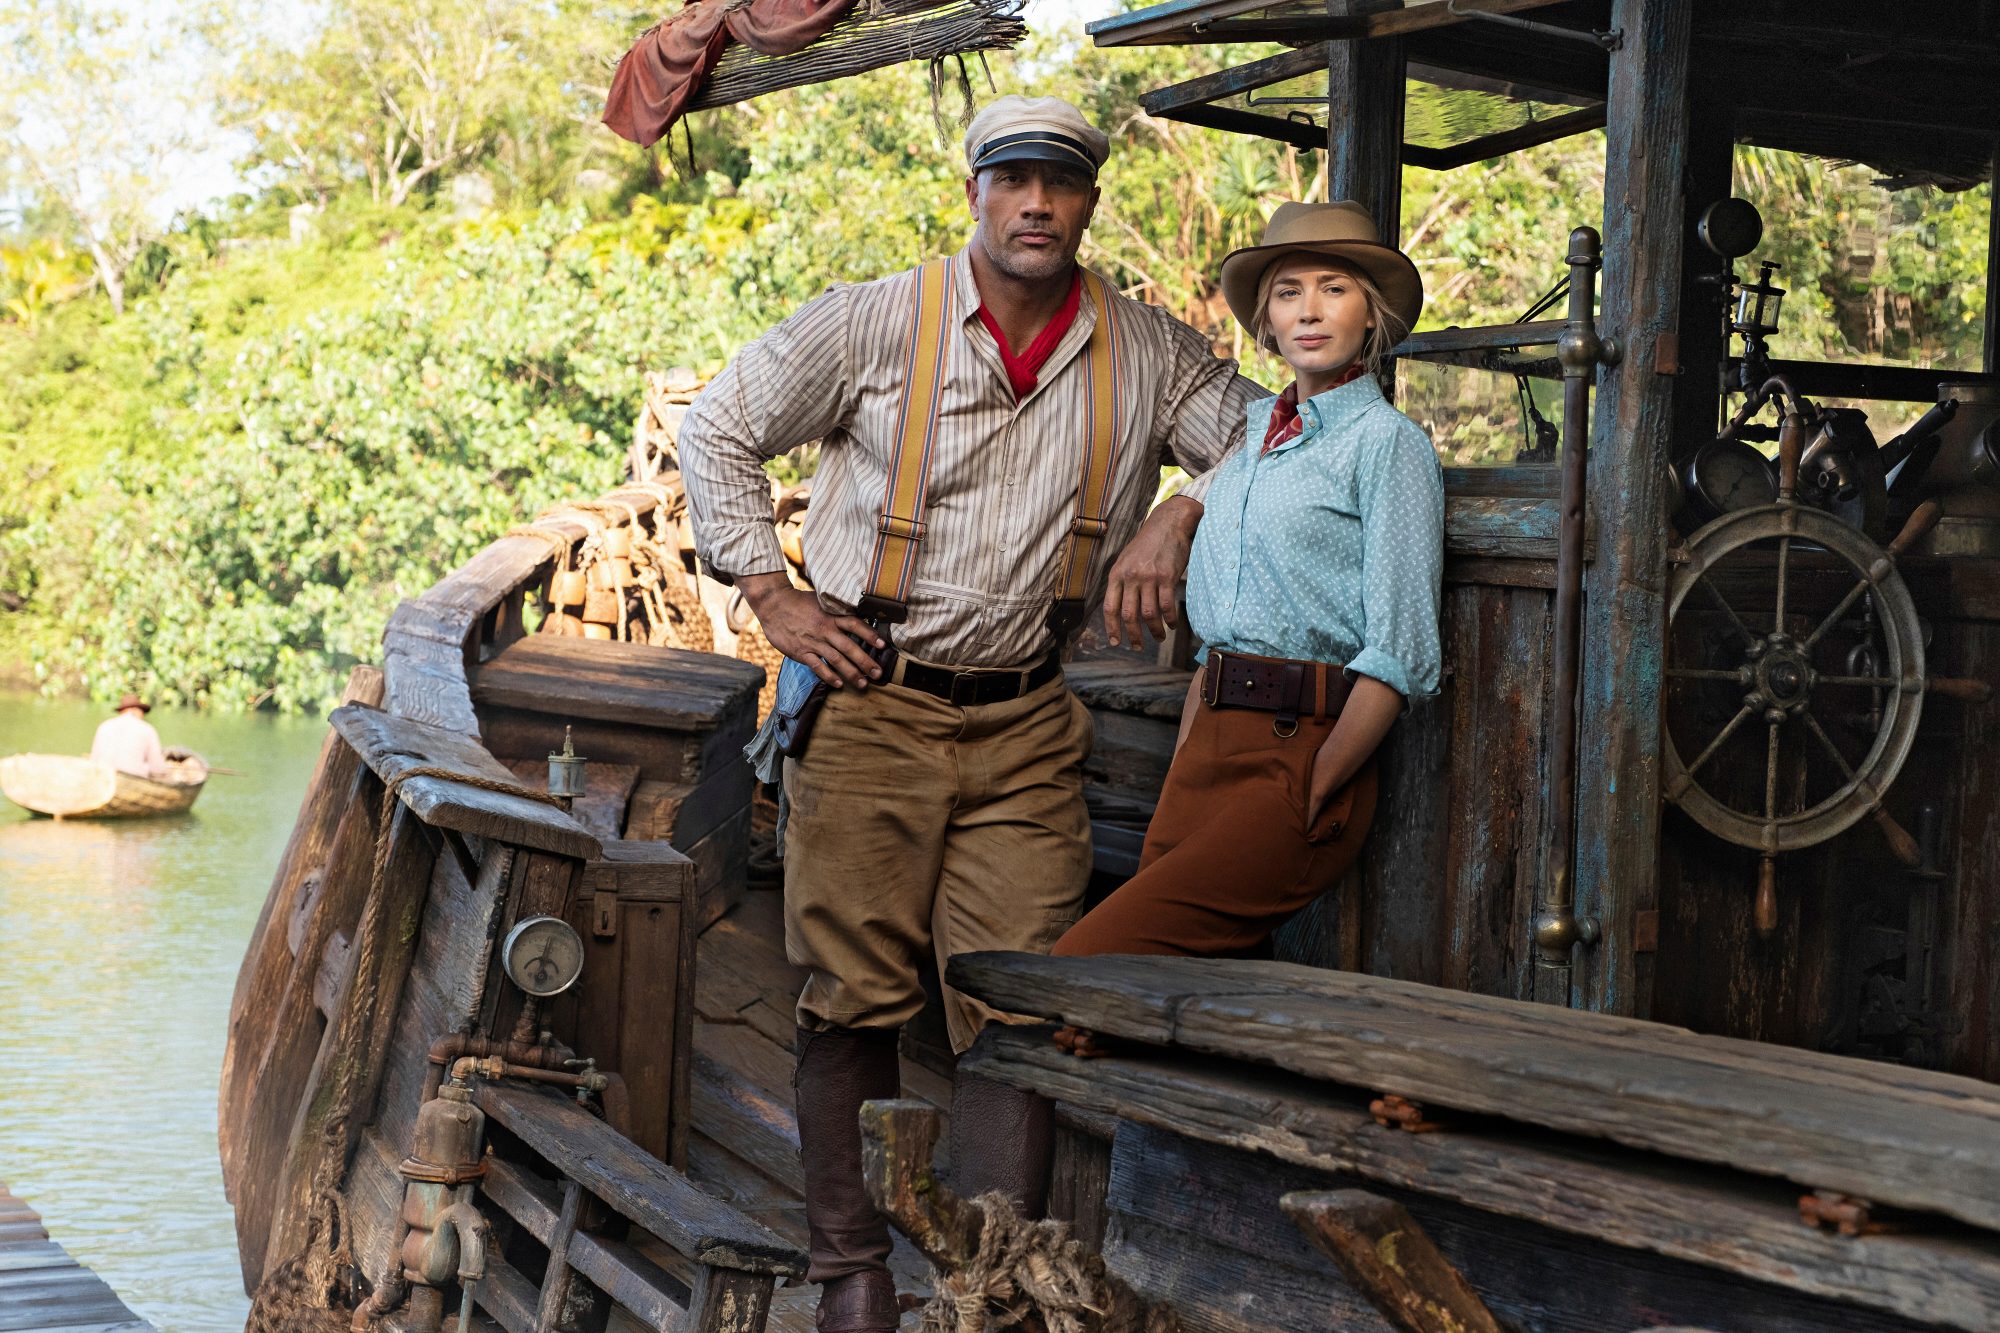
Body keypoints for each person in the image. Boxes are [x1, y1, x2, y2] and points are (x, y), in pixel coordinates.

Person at [677, 95, 1265, 1333]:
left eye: (1061, 184)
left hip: (1024, 718)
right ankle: (849, 1265)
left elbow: (1274, 434)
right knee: (853, 990)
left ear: (1090, 205)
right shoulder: (876, 317)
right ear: (977, 194)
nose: (1037, 205)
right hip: (868, 698)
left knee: (1021, 997)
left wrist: (1180, 509)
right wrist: (770, 596)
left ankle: (989, 1281)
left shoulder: (1147, 350)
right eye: (1015, 181)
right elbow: (719, 426)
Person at [1053, 200, 1444, 968]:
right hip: (1206, 747)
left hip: (1302, 752)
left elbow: (1401, 649)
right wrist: (1174, 511)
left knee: (1089, 967)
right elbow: (1216, 604)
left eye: (1334, 288)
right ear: (1266, 318)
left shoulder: (1388, 446)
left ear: (1372, 313)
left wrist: (1320, 782)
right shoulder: (1255, 438)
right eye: (1289, 291)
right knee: (1180, 997)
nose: (1310, 310)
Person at [90, 693, 171, 780]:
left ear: (122, 711)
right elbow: (158, 769)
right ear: (136, 710)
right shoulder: (147, 729)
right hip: (134, 781)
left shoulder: (104, 726)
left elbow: (93, 762)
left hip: (103, 779)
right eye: (142, 712)